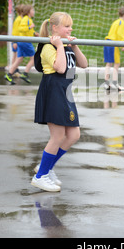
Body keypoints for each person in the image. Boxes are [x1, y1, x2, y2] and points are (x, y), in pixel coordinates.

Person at [32, 12, 88, 192]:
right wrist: (59, 46)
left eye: (71, 26)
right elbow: (61, 68)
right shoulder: (49, 47)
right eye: (66, 26)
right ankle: (40, 175)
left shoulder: (65, 46)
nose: (70, 29)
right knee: (57, 136)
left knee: (73, 135)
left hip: (65, 93)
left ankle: (46, 168)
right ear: (55, 28)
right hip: (53, 91)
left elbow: (84, 64)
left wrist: (74, 47)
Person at [4, 4, 39, 84]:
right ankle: (25, 74)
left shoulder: (28, 19)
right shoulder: (25, 19)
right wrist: (30, 27)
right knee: (34, 58)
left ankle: (9, 74)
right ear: (28, 12)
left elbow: (27, 31)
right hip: (25, 42)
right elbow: (20, 29)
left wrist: (34, 33)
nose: (34, 12)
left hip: (22, 41)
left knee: (19, 59)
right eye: (32, 10)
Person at [103, 7, 124, 91]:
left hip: (107, 42)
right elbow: (120, 34)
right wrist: (122, 45)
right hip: (113, 43)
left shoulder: (115, 22)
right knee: (117, 64)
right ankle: (115, 84)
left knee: (109, 63)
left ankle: (106, 83)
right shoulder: (122, 23)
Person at [9, 4, 23, 76]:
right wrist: (14, 41)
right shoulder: (19, 19)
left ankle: (14, 69)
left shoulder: (20, 19)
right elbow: (15, 31)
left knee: (16, 56)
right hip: (16, 40)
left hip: (17, 40)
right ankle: (13, 70)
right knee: (17, 56)